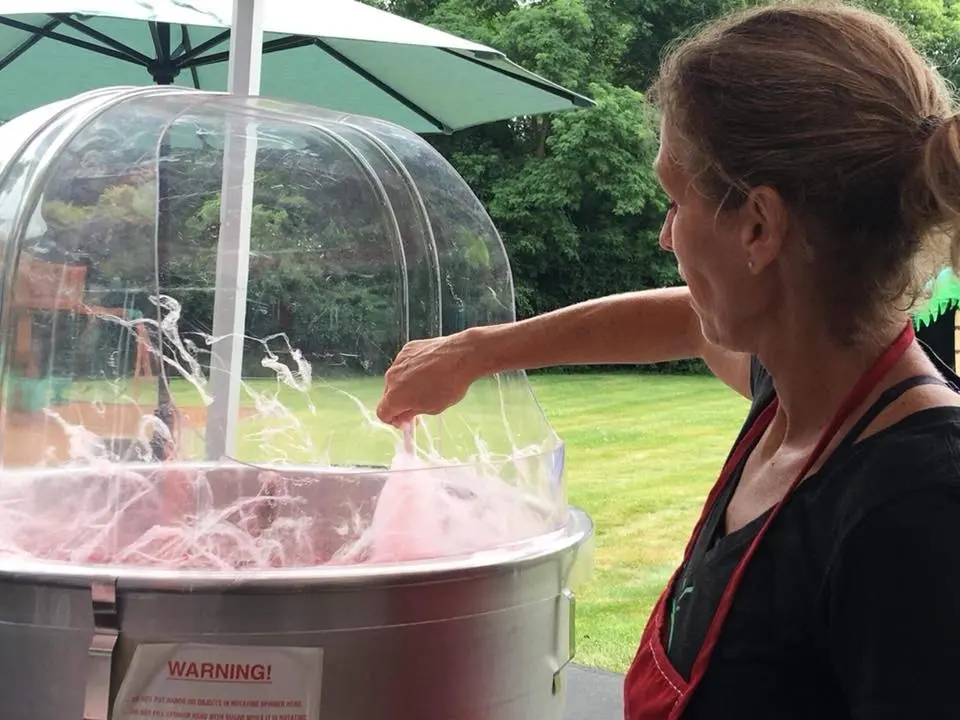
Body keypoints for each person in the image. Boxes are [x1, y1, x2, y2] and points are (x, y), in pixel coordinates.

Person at [377, 3, 960, 718]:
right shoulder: (800, 388)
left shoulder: (918, 509)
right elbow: (686, 322)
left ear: (758, 226)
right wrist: (479, 351)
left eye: (675, 201)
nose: (664, 236)